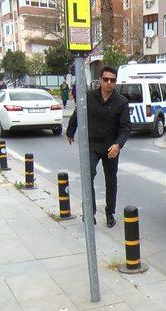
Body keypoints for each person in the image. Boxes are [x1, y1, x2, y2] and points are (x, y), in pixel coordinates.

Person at [65, 66, 131, 228]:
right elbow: (78, 113)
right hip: (92, 144)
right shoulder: (88, 97)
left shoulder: (121, 102)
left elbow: (125, 128)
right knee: (88, 175)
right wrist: (70, 131)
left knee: (111, 181)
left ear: (115, 82)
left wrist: (118, 145)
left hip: (111, 147)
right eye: (106, 79)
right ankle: (89, 211)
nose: (109, 83)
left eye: (113, 80)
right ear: (100, 80)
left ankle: (110, 213)